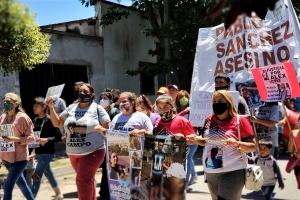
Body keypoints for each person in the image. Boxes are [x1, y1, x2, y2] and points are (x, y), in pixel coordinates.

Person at [46, 83, 110, 200]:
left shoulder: (97, 108)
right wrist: (51, 108)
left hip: (93, 151)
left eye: (85, 92)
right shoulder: (71, 107)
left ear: (92, 94)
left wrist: (101, 130)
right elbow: (58, 123)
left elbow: (107, 130)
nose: (82, 94)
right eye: (80, 91)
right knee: (87, 180)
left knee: (82, 180)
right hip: (73, 153)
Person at [196, 90, 256, 200]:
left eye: (220, 101)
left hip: (233, 171)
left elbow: (252, 146)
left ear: (228, 103)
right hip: (211, 172)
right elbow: (205, 141)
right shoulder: (209, 120)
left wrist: (237, 143)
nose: (217, 103)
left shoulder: (240, 121)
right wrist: (194, 139)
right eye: (214, 101)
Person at [153, 94, 196, 196]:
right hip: (159, 164)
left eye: (165, 107)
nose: (162, 110)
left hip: (177, 165)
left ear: (172, 106)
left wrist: (183, 139)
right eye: (159, 108)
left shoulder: (182, 121)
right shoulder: (158, 122)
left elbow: (194, 140)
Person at [0, 93, 35, 200]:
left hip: (19, 158)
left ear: (16, 104)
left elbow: (31, 137)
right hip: (7, 158)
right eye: (4, 101)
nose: (5, 103)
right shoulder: (2, 117)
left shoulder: (23, 118)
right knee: (23, 186)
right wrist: (2, 157)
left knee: (7, 186)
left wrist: (16, 139)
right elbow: (2, 138)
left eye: (8, 102)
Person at [30, 97, 63, 199]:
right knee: (48, 173)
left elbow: (59, 137)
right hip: (39, 152)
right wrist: (30, 152)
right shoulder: (35, 120)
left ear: (44, 107)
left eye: (37, 106)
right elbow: (33, 138)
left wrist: (47, 139)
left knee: (36, 175)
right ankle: (58, 194)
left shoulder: (49, 119)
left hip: (47, 152)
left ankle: (31, 197)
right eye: (33, 106)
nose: (34, 108)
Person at [98, 91, 120, 200]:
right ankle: (104, 192)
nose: (103, 100)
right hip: (100, 143)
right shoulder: (98, 112)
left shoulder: (115, 111)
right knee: (104, 169)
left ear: (111, 100)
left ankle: (108, 192)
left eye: (105, 98)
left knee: (110, 168)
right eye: (101, 98)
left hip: (111, 143)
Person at [174, 90, 198, 186]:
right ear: (178, 99)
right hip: (180, 137)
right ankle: (194, 175)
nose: (184, 98)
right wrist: (184, 111)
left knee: (187, 157)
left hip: (192, 136)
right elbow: (174, 118)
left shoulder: (194, 109)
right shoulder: (176, 110)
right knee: (189, 157)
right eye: (181, 97)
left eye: (185, 96)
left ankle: (186, 182)